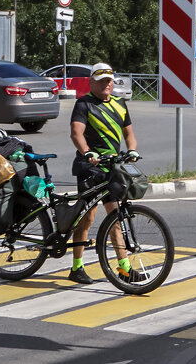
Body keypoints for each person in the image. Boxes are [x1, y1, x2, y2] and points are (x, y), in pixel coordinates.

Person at [66, 61, 141, 284]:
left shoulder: (120, 104)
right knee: (87, 218)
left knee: (115, 216)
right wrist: (88, 153)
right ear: (92, 82)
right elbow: (76, 133)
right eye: (101, 81)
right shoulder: (84, 104)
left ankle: (124, 268)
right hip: (89, 167)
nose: (106, 84)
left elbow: (129, 134)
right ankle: (76, 267)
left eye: (109, 80)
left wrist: (133, 150)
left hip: (111, 167)